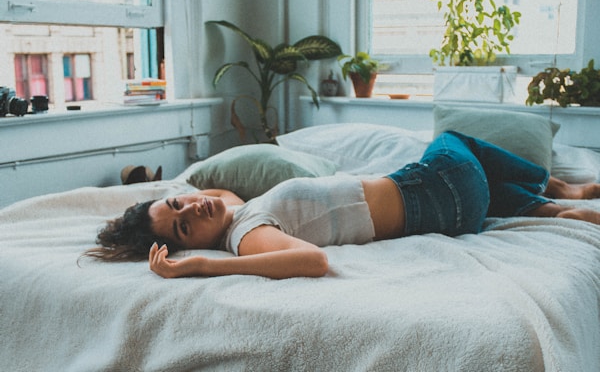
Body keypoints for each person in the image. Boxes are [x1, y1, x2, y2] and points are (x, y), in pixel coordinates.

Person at [85, 131, 600, 279]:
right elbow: (313, 260)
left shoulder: (238, 211)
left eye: (179, 202)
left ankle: (548, 211)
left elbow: (215, 195)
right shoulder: (247, 236)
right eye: (182, 227)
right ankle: (562, 190)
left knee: (487, 187)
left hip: (455, 210)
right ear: (194, 245)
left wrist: (174, 200)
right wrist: (197, 267)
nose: (192, 210)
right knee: (451, 138)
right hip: (435, 189)